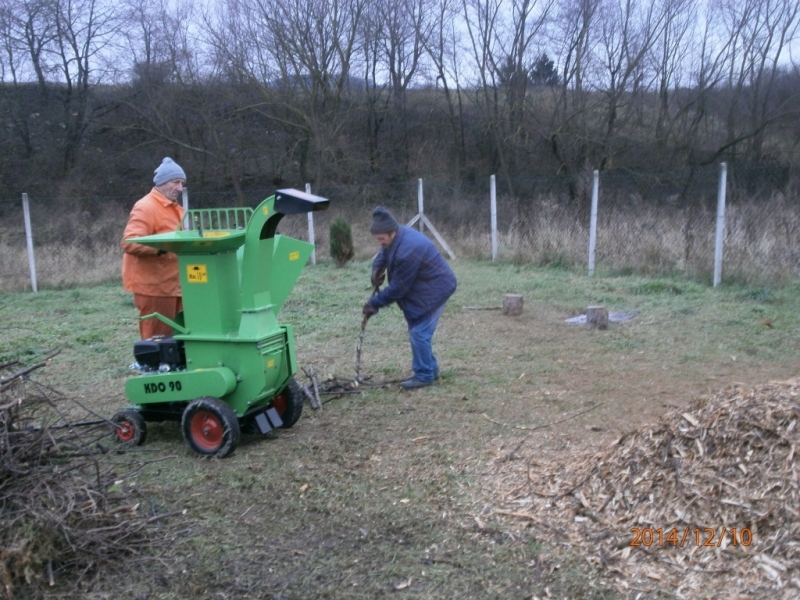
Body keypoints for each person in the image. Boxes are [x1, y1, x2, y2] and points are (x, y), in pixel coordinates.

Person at [363, 206, 457, 389]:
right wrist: (377, 269)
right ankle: (430, 368)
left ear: (392, 233)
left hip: (437, 288)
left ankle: (424, 375)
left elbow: (399, 288)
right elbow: (384, 251)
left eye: (381, 238)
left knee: (419, 332)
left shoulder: (409, 249)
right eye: (377, 239)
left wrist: (374, 303)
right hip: (424, 284)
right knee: (418, 328)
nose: (379, 243)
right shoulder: (396, 236)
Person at [121, 157, 187, 340]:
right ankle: (152, 368)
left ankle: (174, 367)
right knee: (157, 340)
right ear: (162, 183)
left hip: (175, 286)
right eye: (176, 182)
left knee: (178, 337)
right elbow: (130, 242)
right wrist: (161, 248)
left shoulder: (177, 209)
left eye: (181, 183)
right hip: (154, 288)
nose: (180, 189)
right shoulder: (146, 207)